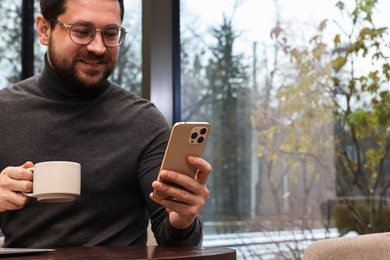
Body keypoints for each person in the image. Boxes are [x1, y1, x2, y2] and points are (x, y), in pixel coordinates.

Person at [0, 0, 211, 248]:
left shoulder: (143, 121)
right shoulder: (5, 112)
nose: (99, 47)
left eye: (111, 34)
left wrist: (183, 221)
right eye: (81, 31)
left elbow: (175, 242)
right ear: (44, 29)